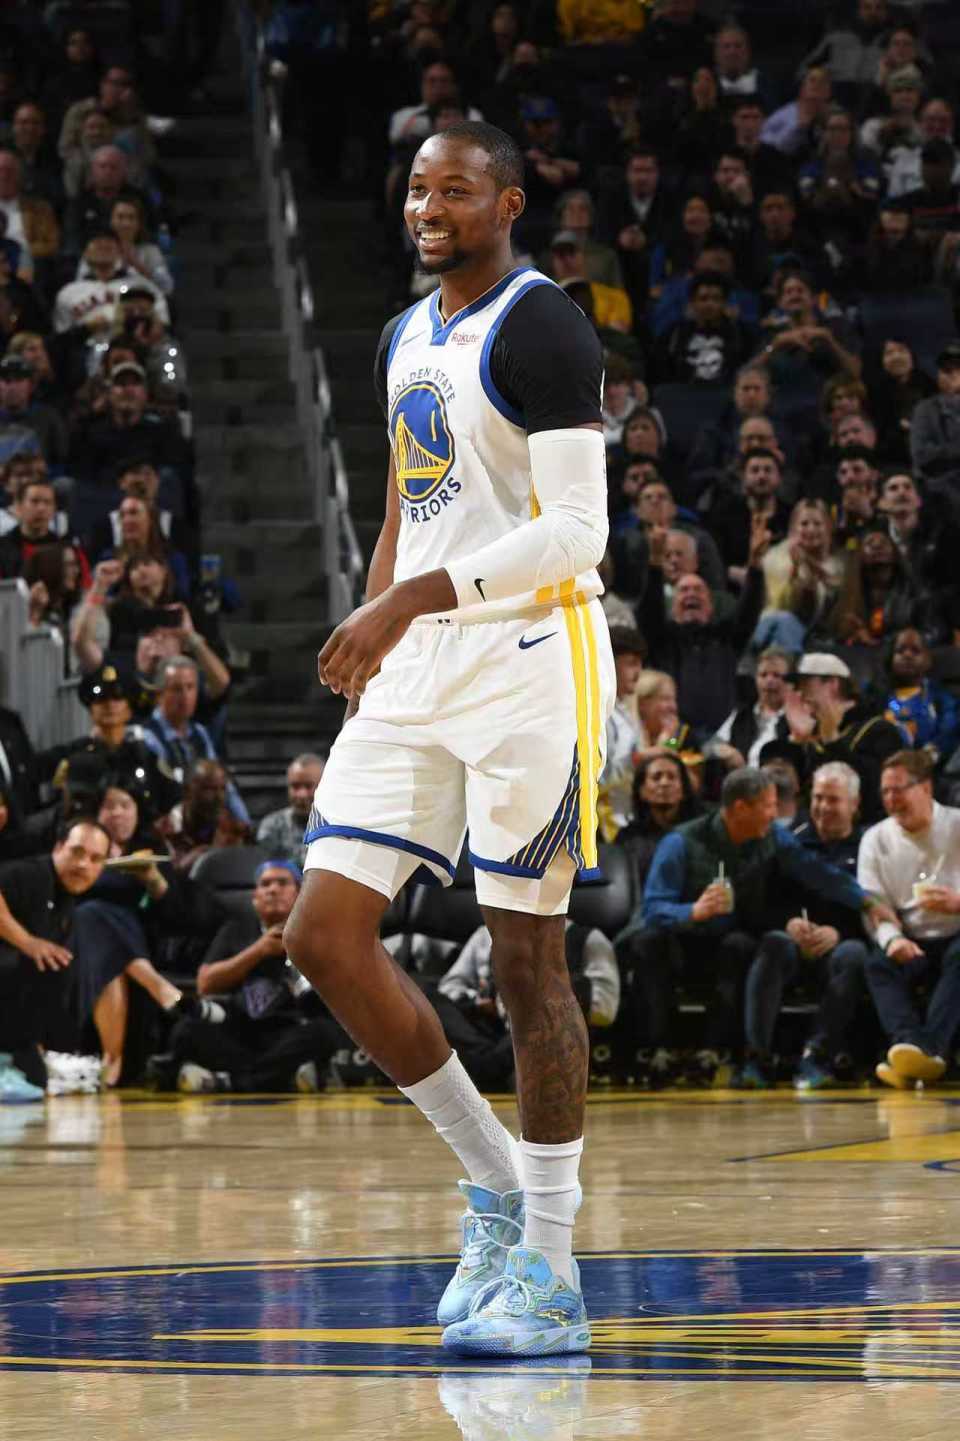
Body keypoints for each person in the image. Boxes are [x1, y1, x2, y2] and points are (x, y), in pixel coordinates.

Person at [282, 120, 614, 1359]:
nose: (430, 206)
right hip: (418, 657)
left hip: (532, 657)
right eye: (420, 189)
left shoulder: (545, 325)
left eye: (457, 189)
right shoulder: (399, 335)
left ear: (508, 202)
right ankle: (492, 1182)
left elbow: (578, 530)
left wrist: (408, 601)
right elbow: (404, 506)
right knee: (322, 932)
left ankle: (552, 1265)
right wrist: (377, 631)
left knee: (526, 961)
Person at [626, 766, 879, 1088]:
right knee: (648, 942)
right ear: (741, 808)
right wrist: (694, 910)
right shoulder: (680, 842)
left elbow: (816, 872)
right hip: (678, 941)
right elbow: (652, 908)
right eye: (769, 805)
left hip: (726, 941)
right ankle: (656, 1051)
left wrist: (867, 901)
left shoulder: (773, 836)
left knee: (740, 945)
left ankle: (718, 1053)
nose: (776, 813)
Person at [169, 860, 350, 1095]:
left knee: (324, 1033)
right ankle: (278, 1078)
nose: (273, 890)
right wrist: (259, 950)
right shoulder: (235, 929)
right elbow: (205, 983)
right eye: (265, 884)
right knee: (186, 1030)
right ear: (255, 897)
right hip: (240, 1031)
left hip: (289, 1030)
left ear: (299, 895)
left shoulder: (315, 934)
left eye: (282, 883)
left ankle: (229, 1082)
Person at [743, 761, 872, 1090]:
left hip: (839, 946)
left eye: (833, 799)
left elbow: (879, 907)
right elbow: (759, 907)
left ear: (854, 804)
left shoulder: (870, 847)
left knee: (854, 954)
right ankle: (757, 1057)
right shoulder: (790, 844)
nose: (823, 807)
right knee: (773, 943)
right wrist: (787, 923)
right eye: (817, 798)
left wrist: (839, 932)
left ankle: (817, 1055)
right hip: (793, 946)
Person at [859, 750, 960, 1088]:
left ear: (926, 788)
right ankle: (910, 1046)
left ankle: (925, 1050)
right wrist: (893, 939)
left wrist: (958, 903)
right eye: (885, 792)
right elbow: (873, 904)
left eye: (899, 789)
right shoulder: (875, 839)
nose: (891, 799)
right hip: (911, 937)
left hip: (955, 933)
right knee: (878, 963)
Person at [0, 817, 110, 1098]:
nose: (83, 864)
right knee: (40, 961)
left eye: (95, 859)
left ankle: (32, 1059)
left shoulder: (66, 899)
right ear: (58, 847)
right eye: (77, 852)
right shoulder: (33, 874)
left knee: (59, 963)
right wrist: (27, 942)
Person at [763, 652, 902, 824]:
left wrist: (832, 741)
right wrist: (796, 741)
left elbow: (871, 794)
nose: (801, 694)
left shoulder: (879, 730)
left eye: (807, 684)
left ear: (833, 684)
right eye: (798, 686)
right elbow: (792, 793)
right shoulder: (809, 731)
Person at [141, 657, 249, 825]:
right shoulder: (147, 736)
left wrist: (244, 823)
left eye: (190, 687)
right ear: (159, 694)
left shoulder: (200, 733)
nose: (185, 696)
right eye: (176, 689)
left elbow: (223, 785)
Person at [712, 646, 792, 767]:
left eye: (776, 675)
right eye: (763, 675)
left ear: (790, 682)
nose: (769, 681)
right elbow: (711, 746)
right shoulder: (741, 714)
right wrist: (728, 752)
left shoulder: (795, 720)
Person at [256, 753, 327, 866]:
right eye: (295, 786)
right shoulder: (272, 826)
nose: (302, 795)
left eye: (308, 786)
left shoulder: (339, 826)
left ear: (324, 786)